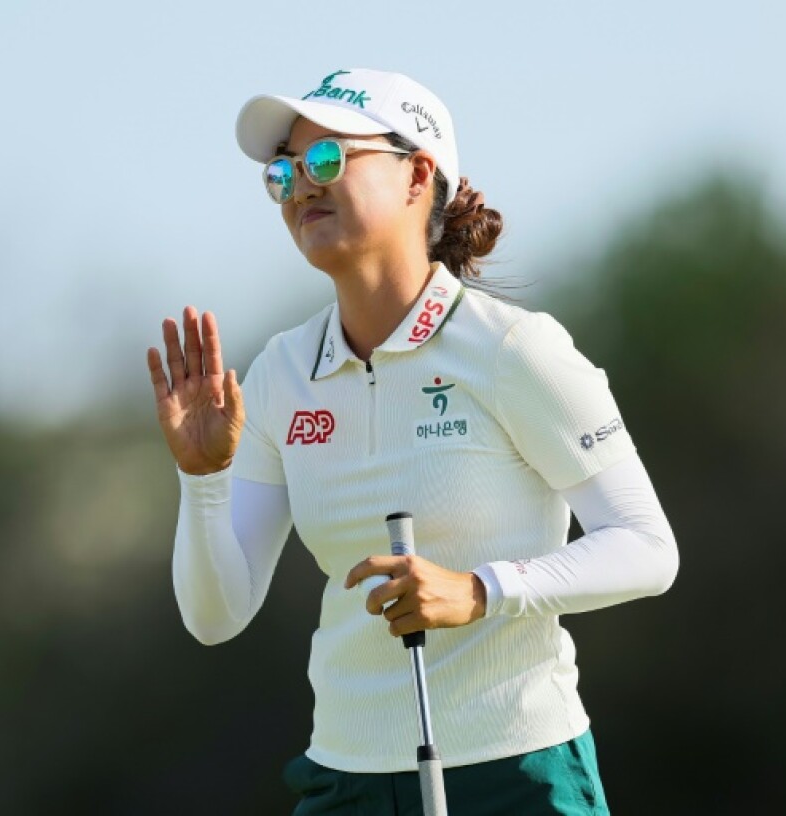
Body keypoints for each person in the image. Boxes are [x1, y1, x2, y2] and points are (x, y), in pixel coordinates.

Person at [146, 67, 679, 815]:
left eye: (327, 160)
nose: (301, 185)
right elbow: (215, 615)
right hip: (344, 780)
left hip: (514, 774)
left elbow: (648, 548)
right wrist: (203, 479)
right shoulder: (278, 375)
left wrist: (478, 590)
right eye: (283, 171)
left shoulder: (514, 349)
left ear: (416, 175)